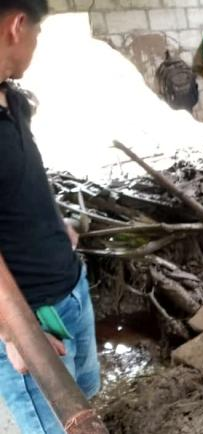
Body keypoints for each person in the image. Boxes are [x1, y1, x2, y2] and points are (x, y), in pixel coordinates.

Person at [0, 1, 100, 433]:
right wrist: (17, 336)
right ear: (18, 26)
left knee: (88, 399)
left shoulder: (10, 99)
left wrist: (55, 222)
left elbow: (24, 178)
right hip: (31, 320)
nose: (36, 46)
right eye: (39, 34)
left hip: (70, 290)